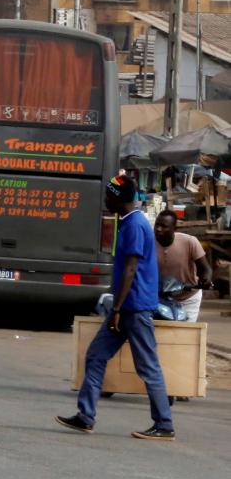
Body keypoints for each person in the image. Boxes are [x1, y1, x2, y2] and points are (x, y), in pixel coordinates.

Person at [58, 174, 174, 440]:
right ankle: (85, 416)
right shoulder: (128, 222)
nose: (106, 200)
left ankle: (164, 424)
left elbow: (131, 270)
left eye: (109, 196)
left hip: (134, 308)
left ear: (120, 199)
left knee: (148, 367)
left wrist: (118, 309)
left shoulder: (134, 225)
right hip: (125, 307)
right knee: (96, 356)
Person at [155, 212, 213, 323]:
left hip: (189, 298)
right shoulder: (148, 244)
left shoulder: (190, 242)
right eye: (157, 225)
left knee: (186, 334)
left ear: (174, 228)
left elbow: (206, 269)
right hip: (161, 297)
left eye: (163, 226)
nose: (158, 229)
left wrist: (206, 278)